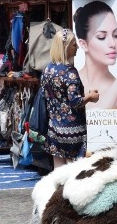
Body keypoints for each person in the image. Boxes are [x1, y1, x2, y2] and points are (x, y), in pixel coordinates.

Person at [41, 29, 99, 168]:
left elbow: (45, 95)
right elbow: (75, 102)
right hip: (72, 131)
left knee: (58, 170)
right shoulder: (70, 72)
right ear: (65, 47)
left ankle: (57, 190)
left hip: (54, 128)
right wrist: (90, 96)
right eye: (74, 44)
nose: (77, 47)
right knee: (73, 170)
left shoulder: (47, 70)